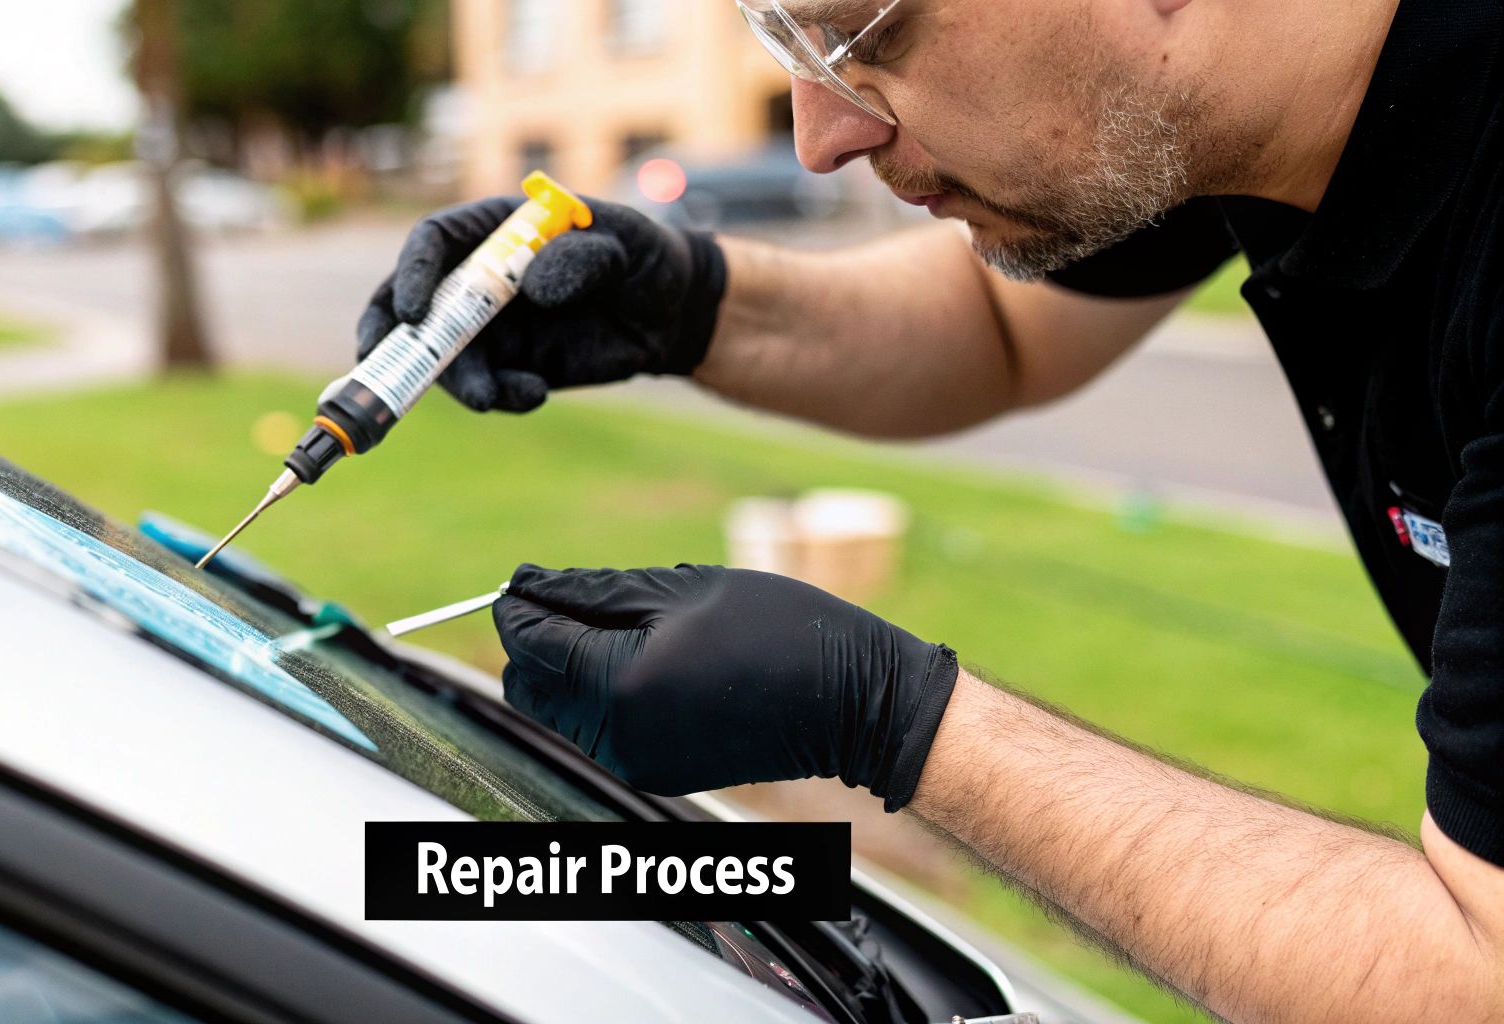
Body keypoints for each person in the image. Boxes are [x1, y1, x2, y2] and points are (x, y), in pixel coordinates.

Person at [355, 1, 1504, 1018]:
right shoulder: (1210, 98)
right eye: (783, 41)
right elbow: (1003, 331)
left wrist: (887, 714)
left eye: (867, 35)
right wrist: (688, 303)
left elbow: (1473, 977)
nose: (819, 138)